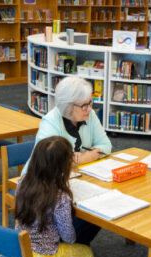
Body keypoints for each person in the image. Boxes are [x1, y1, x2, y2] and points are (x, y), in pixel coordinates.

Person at [15, 136, 94, 257]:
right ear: (62, 166)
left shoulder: (22, 181)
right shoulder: (60, 196)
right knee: (86, 254)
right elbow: (68, 236)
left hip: (16, 250)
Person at [23, 76, 112, 246]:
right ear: (68, 107)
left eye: (90, 102)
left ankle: (70, 243)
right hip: (44, 182)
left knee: (98, 207)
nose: (89, 109)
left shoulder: (89, 114)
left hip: (76, 178)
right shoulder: (51, 122)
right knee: (90, 212)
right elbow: (50, 162)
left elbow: (106, 145)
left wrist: (78, 159)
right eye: (84, 105)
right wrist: (87, 157)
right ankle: (68, 247)